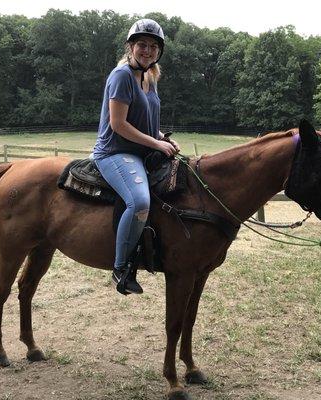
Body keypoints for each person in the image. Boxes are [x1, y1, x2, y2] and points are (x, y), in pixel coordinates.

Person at [93, 18, 180, 295]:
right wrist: (155, 143)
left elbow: (146, 123)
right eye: (142, 44)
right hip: (115, 152)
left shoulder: (150, 77)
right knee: (140, 201)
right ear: (130, 46)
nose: (148, 50)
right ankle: (121, 268)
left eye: (153, 46)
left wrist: (162, 138)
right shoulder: (120, 76)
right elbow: (119, 124)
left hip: (141, 150)